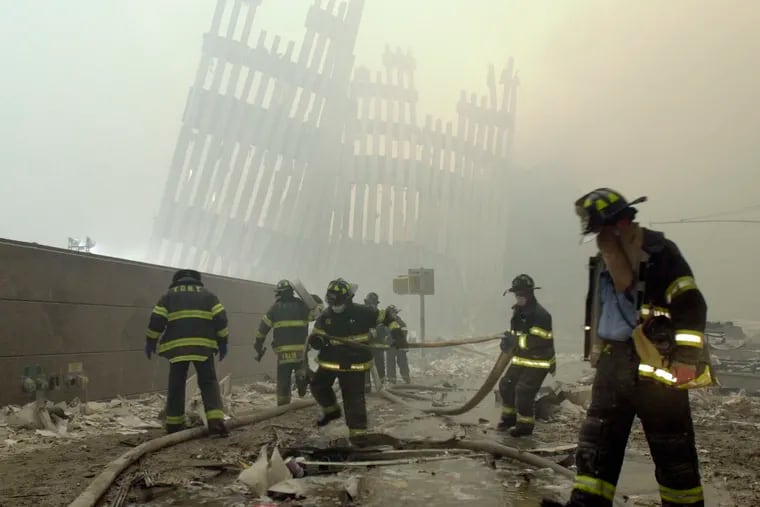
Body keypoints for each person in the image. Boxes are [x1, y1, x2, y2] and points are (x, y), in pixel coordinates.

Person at [542, 188, 713, 507]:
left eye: (601, 232)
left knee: (673, 456)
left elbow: (691, 305)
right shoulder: (603, 262)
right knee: (595, 451)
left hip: (656, 370)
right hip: (612, 368)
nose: (598, 241)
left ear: (619, 224)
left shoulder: (661, 254)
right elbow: (602, 311)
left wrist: (686, 359)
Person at [308, 278, 407, 444]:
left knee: (353, 398)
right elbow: (317, 334)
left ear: (347, 299)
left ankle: (358, 435)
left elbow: (387, 317)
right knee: (318, 385)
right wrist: (317, 341)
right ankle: (331, 410)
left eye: (337, 300)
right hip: (330, 361)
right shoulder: (326, 315)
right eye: (331, 299)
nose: (334, 305)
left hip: (354, 362)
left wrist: (397, 335)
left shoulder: (363, 312)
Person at [145, 269, 229, 436]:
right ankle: (216, 425)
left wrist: (150, 341)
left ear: (177, 281)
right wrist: (223, 342)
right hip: (203, 348)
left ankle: (174, 426)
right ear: (197, 281)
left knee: (176, 385)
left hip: (177, 349)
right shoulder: (209, 296)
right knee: (208, 383)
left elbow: (156, 320)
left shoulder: (168, 296)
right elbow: (221, 319)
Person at [497, 274, 555, 437]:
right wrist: (507, 341)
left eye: (522, 294)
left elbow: (539, 340)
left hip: (539, 361)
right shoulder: (518, 312)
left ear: (530, 293)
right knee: (506, 385)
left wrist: (516, 340)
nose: (519, 297)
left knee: (523, 391)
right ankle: (508, 420)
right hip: (521, 359)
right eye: (517, 294)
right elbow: (515, 334)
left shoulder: (541, 315)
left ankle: (524, 427)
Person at [254, 280, 319, 405]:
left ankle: (283, 403)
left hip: (283, 352)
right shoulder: (303, 305)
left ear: (280, 293)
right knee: (301, 369)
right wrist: (314, 300)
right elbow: (315, 315)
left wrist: (258, 344)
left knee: (283, 377)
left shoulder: (274, 308)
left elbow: (262, 329)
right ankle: (302, 384)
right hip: (301, 350)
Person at [363, 292, 387, 391]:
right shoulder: (361, 313)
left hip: (377, 345)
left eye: (373, 303)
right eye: (369, 303)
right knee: (365, 367)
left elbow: (384, 329)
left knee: (379, 365)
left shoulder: (381, 314)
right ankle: (366, 387)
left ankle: (380, 386)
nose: (371, 305)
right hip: (366, 346)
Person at [386, 305, 411, 384]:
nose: (393, 314)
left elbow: (404, 333)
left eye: (394, 313)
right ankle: (392, 380)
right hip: (391, 346)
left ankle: (406, 378)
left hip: (399, 346)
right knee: (390, 363)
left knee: (402, 362)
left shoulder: (400, 322)